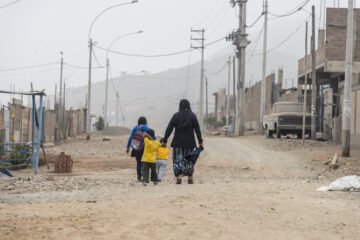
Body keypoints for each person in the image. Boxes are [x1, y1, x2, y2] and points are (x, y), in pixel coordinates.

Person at [163, 99, 203, 184]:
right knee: (189, 159)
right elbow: (197, 129)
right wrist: (200, 141)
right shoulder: (192, 116)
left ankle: (179, 177)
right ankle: (190, 177)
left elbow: (169, 128)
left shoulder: (176, 116)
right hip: (190, 142)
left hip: (178, 142)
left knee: (178, 159)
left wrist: (165, 139)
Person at [126, 117, 155, 182]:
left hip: (136, 148)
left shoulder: (135, 128)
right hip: (144, 148)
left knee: (138, 163)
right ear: (145, 122)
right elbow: (154, 137)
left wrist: (128, 147)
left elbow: (131, 138)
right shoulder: (147, 128)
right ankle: (144, 177)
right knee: (144, 163)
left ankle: (139, 178)